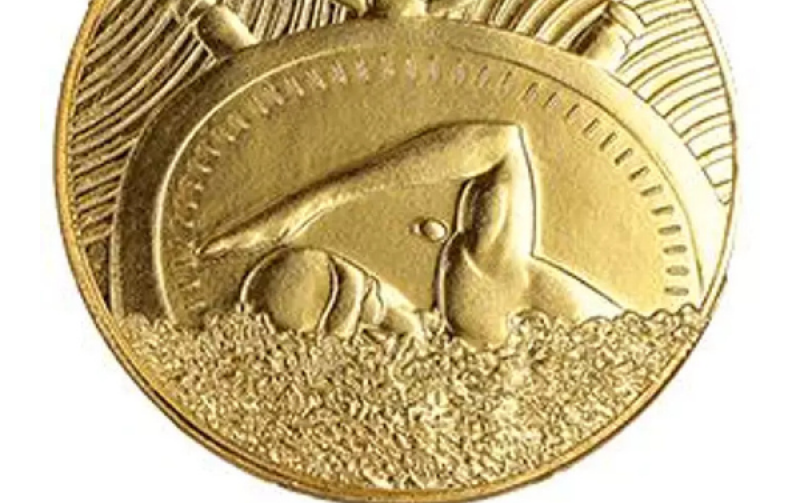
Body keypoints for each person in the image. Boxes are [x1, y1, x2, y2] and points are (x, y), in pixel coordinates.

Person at [201, 122, 619, 346]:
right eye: (365, 312)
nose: (380, 319)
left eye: (368, 296)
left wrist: (315, 201)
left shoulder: (479, 297)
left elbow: (500, 143)